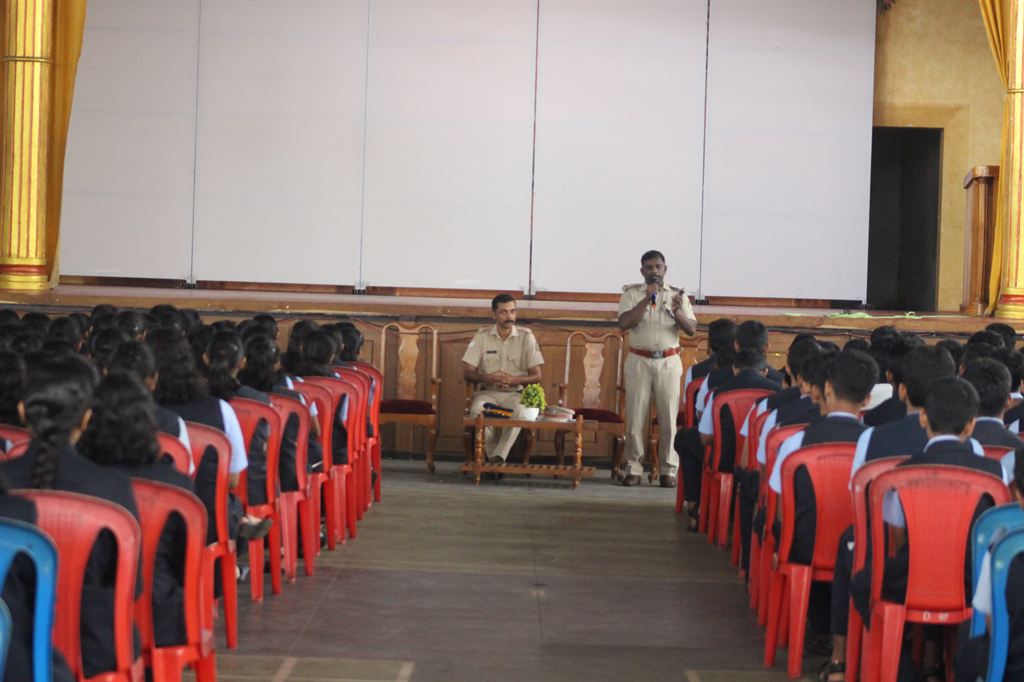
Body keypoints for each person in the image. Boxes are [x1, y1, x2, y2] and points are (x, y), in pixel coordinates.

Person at [0, 354, 141, 679]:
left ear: (22, 410)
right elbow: (132, 588)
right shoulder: (113, 487)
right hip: (95, 648)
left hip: (13, 652)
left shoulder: (6, 486)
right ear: (87, 418)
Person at [78, 371, 194, 647]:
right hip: (160, 618)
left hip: (89, 623)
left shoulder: (83, 482)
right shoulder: (177, 485)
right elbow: (186, 565)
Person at [617, 250, 697, 487]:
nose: (654, 271)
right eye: (649, 267)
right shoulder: (631, 294)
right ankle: (633, 468)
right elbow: (624, 323)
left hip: (668, 362)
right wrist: (647, 298)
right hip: (639, 360)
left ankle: (668, 470)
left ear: (665, 269)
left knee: (668, 418)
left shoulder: (677, 295)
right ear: (642, 271)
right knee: (635, 419)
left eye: (658, 267)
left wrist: (677, 311)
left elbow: (691, 329)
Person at [462, 294, 545, 464]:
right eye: (504, 312)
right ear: (494, 314)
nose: (509, 316)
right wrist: (487, 378)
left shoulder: (526, 336)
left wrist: (515, 380)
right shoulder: (482, 336)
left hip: (514, 394)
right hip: (488, 394)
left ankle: (498, 456)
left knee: (521, 412)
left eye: (513, 311)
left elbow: (537, 376)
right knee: (478, 409)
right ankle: (496, 459)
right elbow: (467, 372)